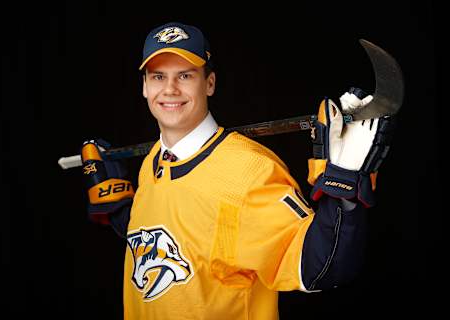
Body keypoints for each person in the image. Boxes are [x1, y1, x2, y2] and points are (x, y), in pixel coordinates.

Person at [80, 22, 395, 320]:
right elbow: (183, 240)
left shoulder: (251, 172)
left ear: (210, 83)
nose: (170, 89)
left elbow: (321, 267)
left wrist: (344, 192)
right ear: (145, 87)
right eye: (158, 77)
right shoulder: (153, 163)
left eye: (186, 76)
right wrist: (123, 212)